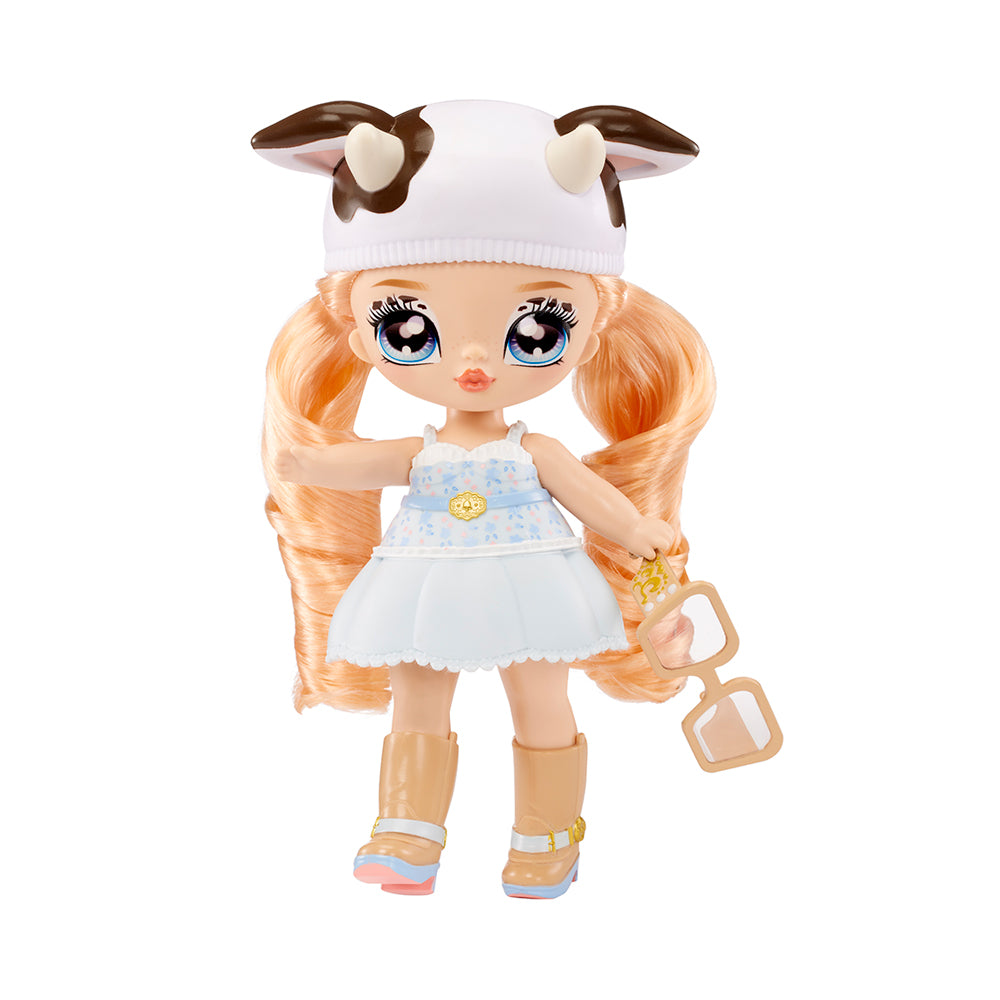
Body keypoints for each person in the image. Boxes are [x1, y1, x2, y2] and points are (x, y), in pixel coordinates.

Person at [253, 100, 715, 898]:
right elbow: (358, 464)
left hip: (531, 581)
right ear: (362, 337)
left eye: (536, 332)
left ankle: (548, 834)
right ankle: (406, 827)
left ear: (589, 334)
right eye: (409, 329)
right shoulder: (421, 453)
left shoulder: (535, 452)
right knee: (418, 693)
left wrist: (638, 527)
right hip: (425, 585)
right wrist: (300, 458)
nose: (472, 363)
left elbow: (591, 499)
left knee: (537, 693)